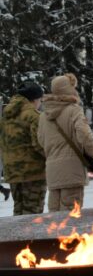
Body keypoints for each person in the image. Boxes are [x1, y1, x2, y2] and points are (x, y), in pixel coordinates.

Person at [37, 74, 93, 212]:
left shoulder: (43, 116)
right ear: (69, 89)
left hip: (52, 172)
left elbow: (41, 140)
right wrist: (92, 153)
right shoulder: (74, 110)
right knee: (70, 217)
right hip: (72, 171)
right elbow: (85, 135)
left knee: (53, 219)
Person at [0, 81, 46, 215]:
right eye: (40, 100)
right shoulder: (33, 116)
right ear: (35, 99)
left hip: (12, 172)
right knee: (33, 215)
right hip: (33, 173)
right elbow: (39, 144)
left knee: (18, 214)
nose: (40, 103)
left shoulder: (6, 117)